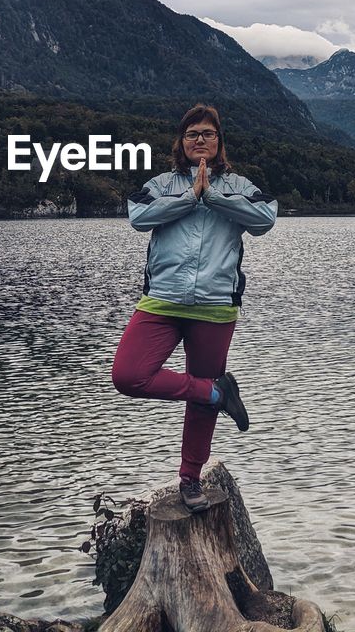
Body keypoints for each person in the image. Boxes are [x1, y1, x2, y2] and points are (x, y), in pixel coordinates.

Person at [111, 104, 278, 513]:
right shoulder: (161, 183)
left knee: (198, 407)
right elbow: (139, 216)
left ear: (219, 142)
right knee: (129, 375)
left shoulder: (238, 185)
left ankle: (190, 479)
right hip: (162, 301)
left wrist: (215, 197)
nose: (199, 140)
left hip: (215, 306)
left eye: (207, 134)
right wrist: (191, 197)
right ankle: (217, 391)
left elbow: (265, 218)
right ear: (180, 142)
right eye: (191, 134)